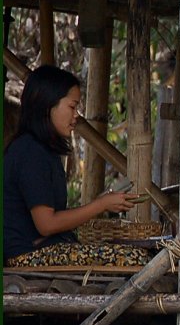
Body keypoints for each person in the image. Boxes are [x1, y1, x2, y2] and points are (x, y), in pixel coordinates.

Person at [4, 65, 150, 266]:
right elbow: (47, 224)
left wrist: (102, 202)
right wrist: (101, 205)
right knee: (136, 258)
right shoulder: (30, 152)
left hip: (42, 248)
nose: (76, 115)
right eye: (72, 107)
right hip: (26, 255)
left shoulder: (42, 150)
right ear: (47, 106)